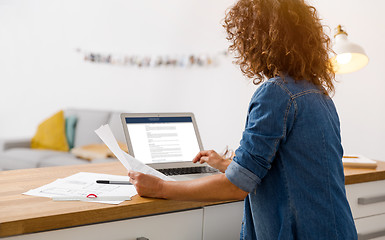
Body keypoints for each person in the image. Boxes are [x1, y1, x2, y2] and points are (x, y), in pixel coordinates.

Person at [128, 0, 357, 239]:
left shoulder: (276, 93)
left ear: (257, 39)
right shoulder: (318, 94)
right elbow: (289, 169)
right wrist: (229, 165)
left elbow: (236, 187)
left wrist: (161, 187)